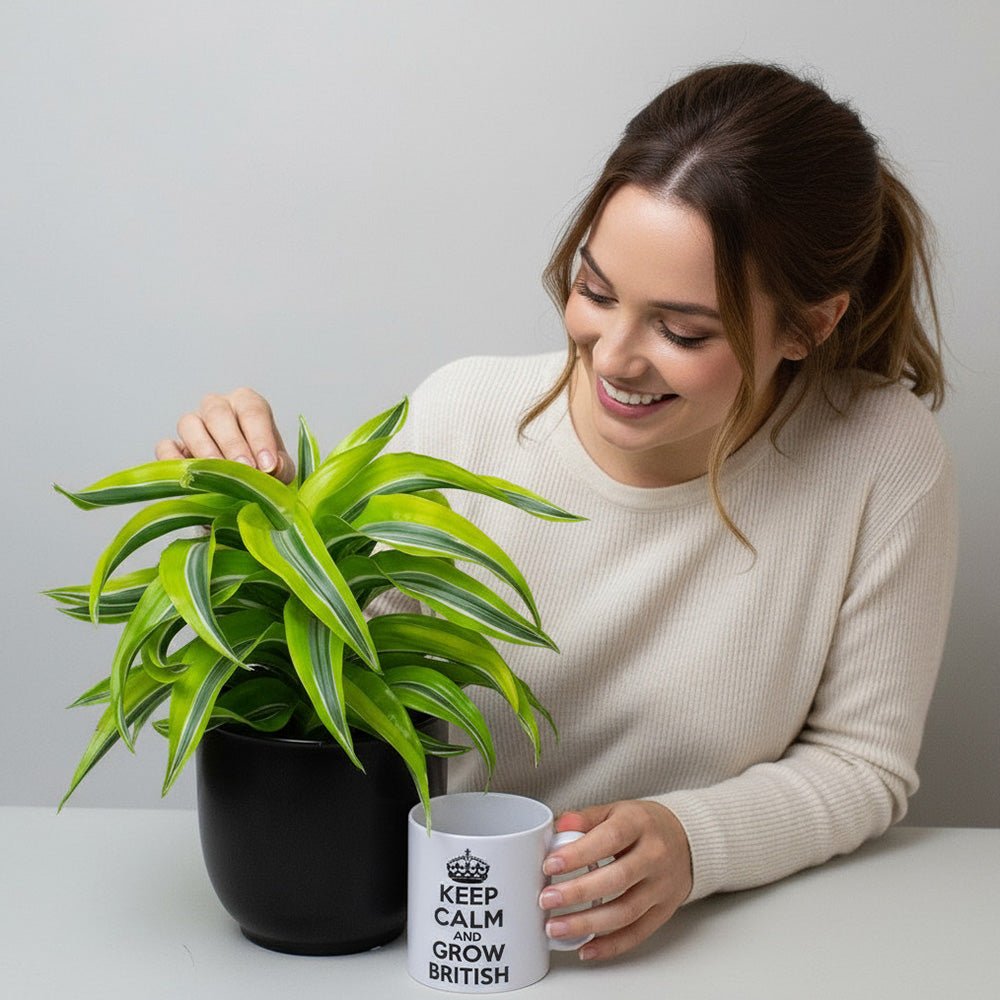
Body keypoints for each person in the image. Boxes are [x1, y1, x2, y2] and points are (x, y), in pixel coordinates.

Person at [155, 62, 957, 962]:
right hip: (438, 947)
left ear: (809, 326)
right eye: (595, 291)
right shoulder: (462, 418)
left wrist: (693, 842)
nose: (613, 356)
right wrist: (258, 522)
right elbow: (349, 689)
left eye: (683, 330)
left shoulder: (881, 459)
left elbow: (863, 763)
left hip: (703, 954)